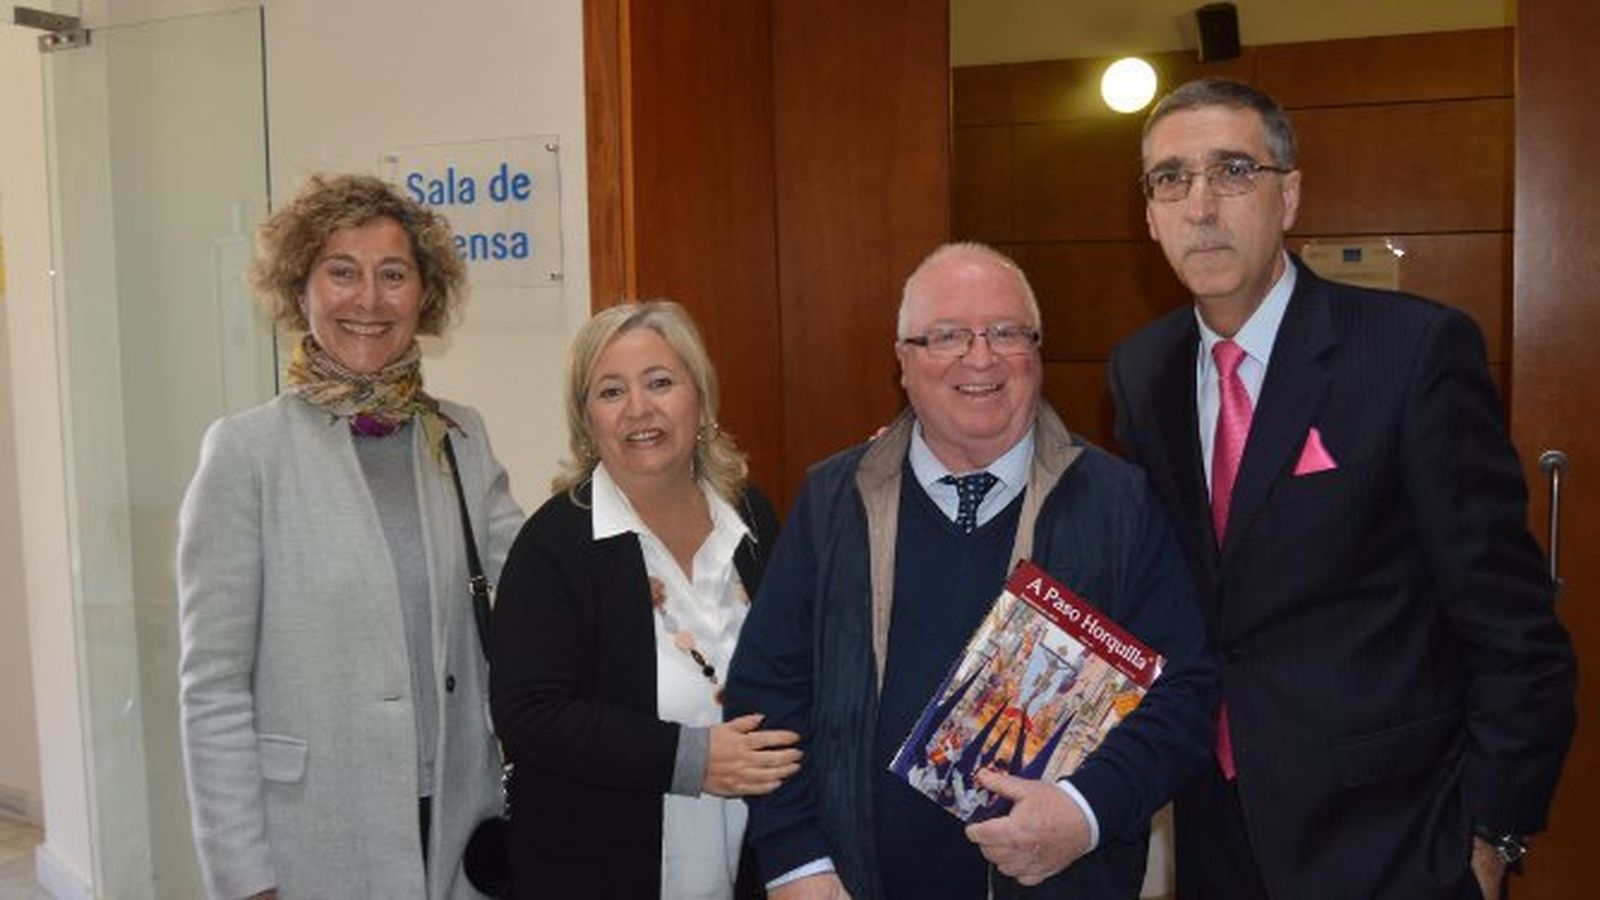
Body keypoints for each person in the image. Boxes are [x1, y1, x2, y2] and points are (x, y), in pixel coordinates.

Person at [1109, 78, 1578, 900]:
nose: (1201, 205)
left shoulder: (1413, 352)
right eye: (1170, 179)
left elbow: (1514, 631)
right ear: (1149, 214)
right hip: (1216, 834)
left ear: (1288, 195)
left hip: (1394, 842)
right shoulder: (1140, 372)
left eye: (1233, 172)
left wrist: (1490, 839)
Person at [725, 242, 1216, 899]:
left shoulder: (1121, 505)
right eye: (947, 336)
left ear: (1037, 352)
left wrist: (1086, 810)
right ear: (902, 360)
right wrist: (797, 864)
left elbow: (1183, 694)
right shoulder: (832, 502)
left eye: (1007, 333)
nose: (980, 358)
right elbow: (767, 696)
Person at [177, 173, 524, 898]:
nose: (368, 299)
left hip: (459, 827)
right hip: (311, 835)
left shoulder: (460, 436)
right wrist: (244, 878)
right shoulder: (246, 453)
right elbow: (212, 689)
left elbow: (528, 588)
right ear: (299, 289)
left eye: (392, 275)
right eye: (342, 272)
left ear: (423, 294)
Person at [489, 300, 801, 898]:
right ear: (586, 420)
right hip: (600, 872)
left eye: (660, 382)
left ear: (701, 400)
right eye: (610, 391)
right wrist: (691, 759)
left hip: (751, 868)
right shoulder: (556, 543)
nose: (638, 409)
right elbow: (528, 716)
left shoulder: (753, 518)